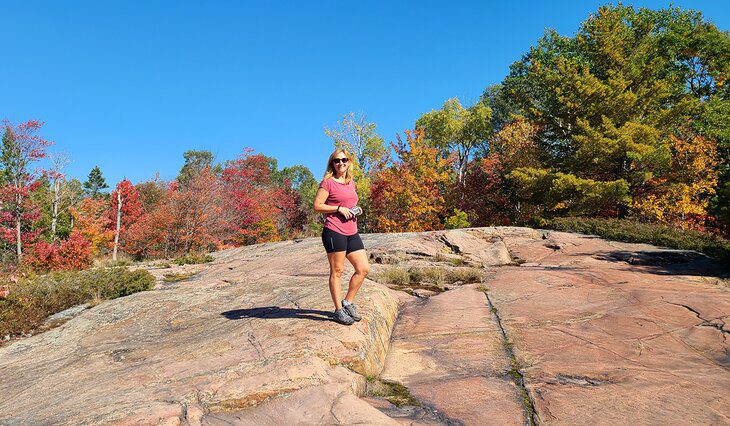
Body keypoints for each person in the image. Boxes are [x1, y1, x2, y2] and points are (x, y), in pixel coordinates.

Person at [313, 149, 370, 325]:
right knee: (337, 272)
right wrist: (338, 208)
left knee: (363, 269)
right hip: (334, 231)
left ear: (349, 161)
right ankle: (338, 310)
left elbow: (349, 202)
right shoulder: (328, 183)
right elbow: (317, 205)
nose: (341, 163)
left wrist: (355, 209)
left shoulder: (350, 182)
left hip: (351, 231)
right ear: (332, 164)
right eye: (337, 161)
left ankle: (348, 302)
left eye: (344, 160)